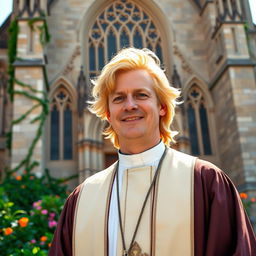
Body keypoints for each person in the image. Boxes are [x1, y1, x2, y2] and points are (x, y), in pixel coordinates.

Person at [49, 48, 256, 256]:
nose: (130, 105)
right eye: (119, 98)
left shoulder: (206, 182)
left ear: (162, 107)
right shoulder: (81, 200)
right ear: (108, 114)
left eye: (141, 95)